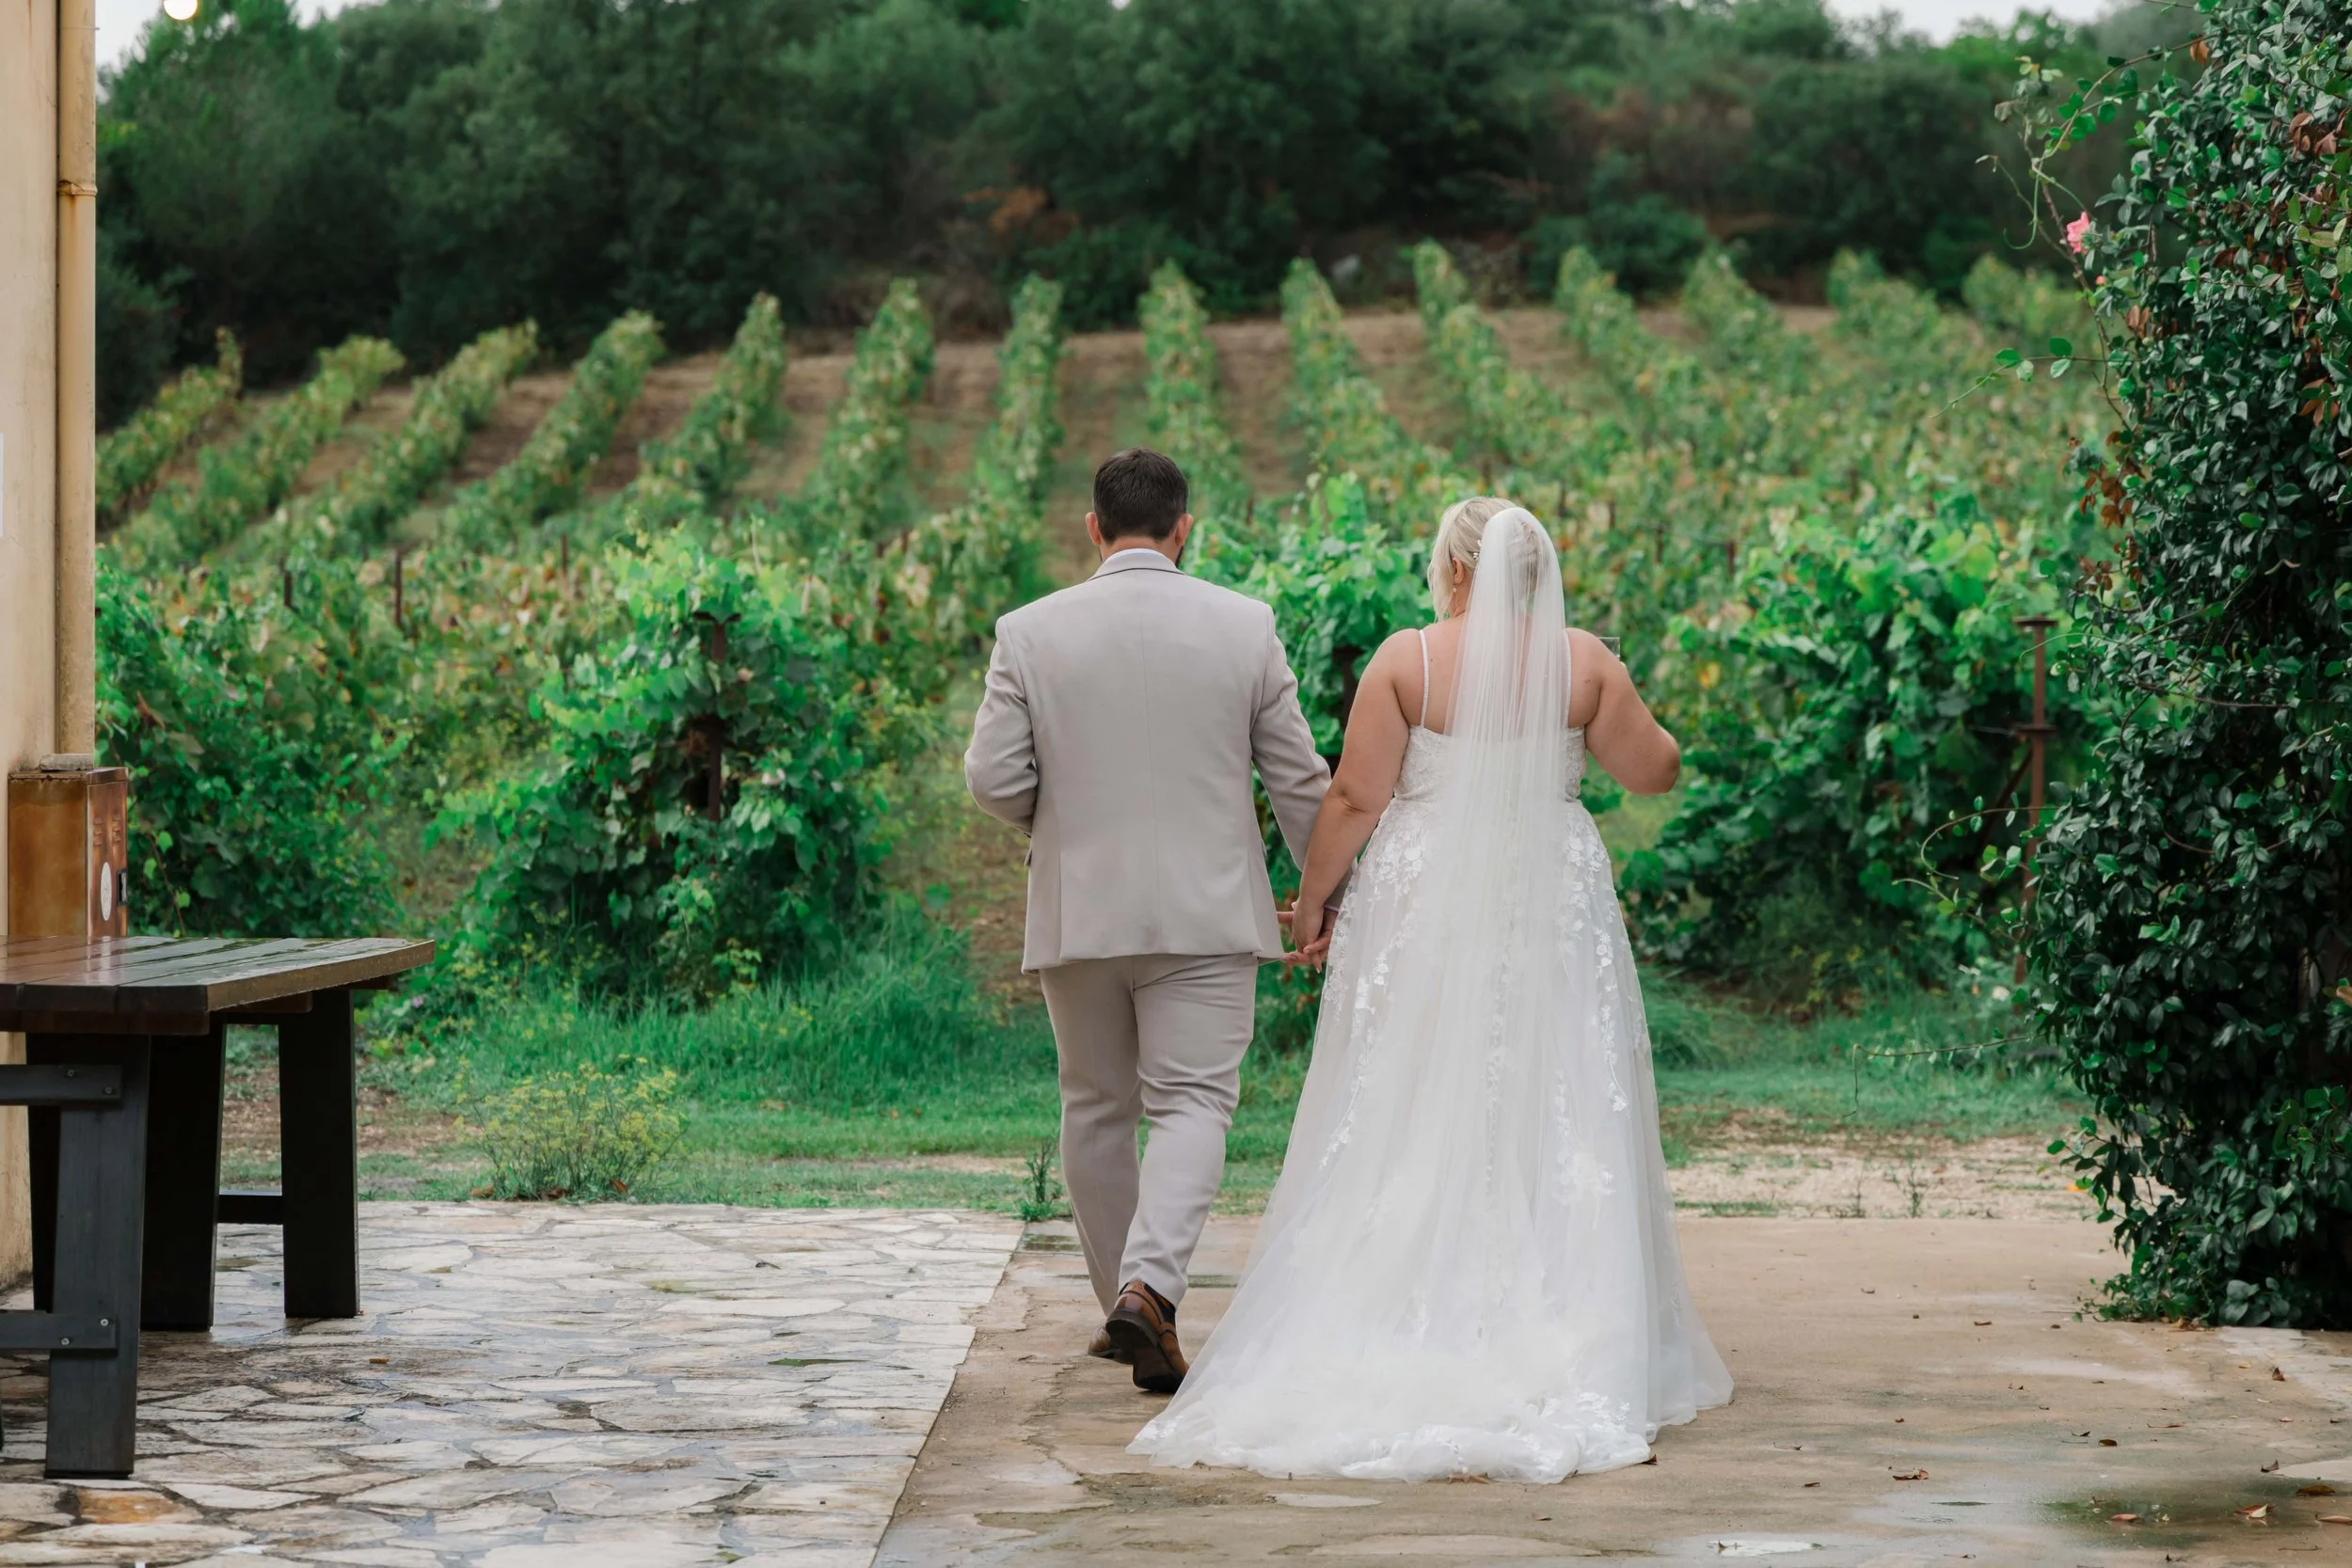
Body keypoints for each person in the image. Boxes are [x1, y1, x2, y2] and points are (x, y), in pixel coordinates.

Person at [1129, 496, 1732, 1481]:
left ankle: (1397, 1294)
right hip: (1545, 892)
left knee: (1409, 1090)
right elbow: (1655, 768)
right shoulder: (1582, 663)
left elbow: (1356, 795)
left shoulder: (1405, 660)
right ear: (1532, 574)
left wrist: (1312, 900)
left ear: (1452, 570)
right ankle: (1569, 1314)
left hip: (1425, 902)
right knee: (1556, 1088)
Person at [964, 447, 1333, 1395]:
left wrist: (1062, 823)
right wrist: (1329, 895)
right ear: (1184, 528)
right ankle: (1150, 1289)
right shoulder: (1243, 626)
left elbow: (993, 779)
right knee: (1193, 1102)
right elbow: (1299, 782)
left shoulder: (1027, 630)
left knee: (1094, 1106)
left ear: (1093, 528)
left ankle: (1124, 1304)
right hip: (1209, 913)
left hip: (1078, 909)